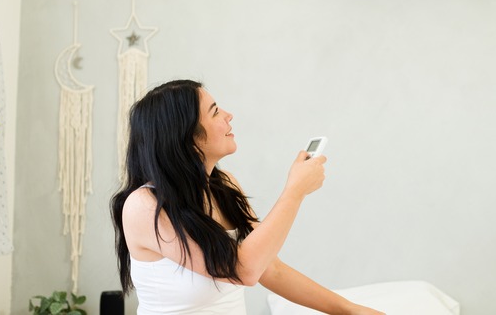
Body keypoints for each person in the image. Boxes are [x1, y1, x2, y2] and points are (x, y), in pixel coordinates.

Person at [110, 79, 383, 315]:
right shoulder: (145, 206)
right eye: (215, 112)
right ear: (186, 136)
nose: (229, 115)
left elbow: (269, 269)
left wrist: (349, 309)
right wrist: (294, 192)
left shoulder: (224, 186)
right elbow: (243, 270)